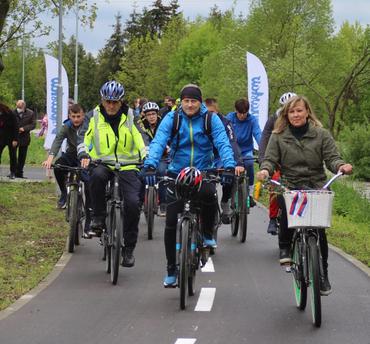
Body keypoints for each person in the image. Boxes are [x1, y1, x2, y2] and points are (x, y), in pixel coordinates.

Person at [256, 95, 353, 295]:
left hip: (316, 184)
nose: (296, 114)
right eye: (291, 111)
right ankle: (284, 247)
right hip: (290, 183)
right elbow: (270, 159)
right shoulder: (278, 135)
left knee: (320, 230)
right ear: (286, 114)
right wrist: (265, 170)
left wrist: (340, 166)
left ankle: (323, 275)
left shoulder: (321, 134)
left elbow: (332, 158)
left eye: (299, 110)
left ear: (307, 112)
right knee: (284, 202)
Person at [143, 84, 236, 287]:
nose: (190, 104)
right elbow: (159, 141)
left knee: (210, 194)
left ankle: (207, 233)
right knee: (170, 222)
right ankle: (171, 269)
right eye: (186, 101)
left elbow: (222, 142)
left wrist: (229, 165)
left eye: (194, 101)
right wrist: (150, 165)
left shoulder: (211, 119)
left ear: (200, 102)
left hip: (203, 170)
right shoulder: (172, 118)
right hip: (177, 171)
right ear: (181, 102)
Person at [79, 80, 146, 267]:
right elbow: (84, 137)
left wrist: (146, 156)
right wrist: (84, 154)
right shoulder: (94, 116)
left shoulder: (131, 116)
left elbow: (141, 139)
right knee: (96, 177)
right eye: (107, 101)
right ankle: (98, 218)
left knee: (132, 204)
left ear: (121, 101)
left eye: (115, 102)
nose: (110, 105)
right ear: (102, 100)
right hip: (103, 163)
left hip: (128, 165)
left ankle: (129, 249)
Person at [42, 104, 91, 236]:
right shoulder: (67, 126)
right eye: (73, 116)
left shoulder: (89, 125)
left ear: (83, 115)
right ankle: (64, 193)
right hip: (71, 154)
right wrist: (50, 158)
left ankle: (89, 222)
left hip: (87, 156)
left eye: (78, 116)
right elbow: (58, 141)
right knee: (58, 167)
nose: (76, 119)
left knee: (90, 185)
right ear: (69, 116)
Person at [258, 92, 296, 235]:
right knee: (275, 183)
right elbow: (264, 138)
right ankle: (273, 218)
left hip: (299, 165)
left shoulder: (304, 121)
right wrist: (263, 161)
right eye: (286, 108)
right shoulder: (274, 119)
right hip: (278, 161)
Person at [204, 98, 244, 223]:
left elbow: (232, 142)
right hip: (205, 155)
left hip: (221, 155)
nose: (211, 116)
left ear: (217, 111)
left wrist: (237, 163)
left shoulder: (226, 122)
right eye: (208, 113)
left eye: (213, 113)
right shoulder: (199, 121)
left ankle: (225, 200)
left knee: (229, 174)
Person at [226, 98, 261, 208]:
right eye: (240, 113)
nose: (242, 116)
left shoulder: (252, 120)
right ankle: (229, 194)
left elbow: (258, 134)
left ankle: (249, 193)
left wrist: (264, 150)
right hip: (232, 149)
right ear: (235, 110)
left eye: (245, 113)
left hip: (246, 150)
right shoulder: (229, 118)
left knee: (250, 163)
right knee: (229, 168)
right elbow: (224, 134)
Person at [137, 101, 168, 216]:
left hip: (162, 157)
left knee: (162, 173)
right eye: (148, 114)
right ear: (145, 115)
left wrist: (167, 147)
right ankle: (140, 201)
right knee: (140, 175)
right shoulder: (140, 126)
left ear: (157, 114)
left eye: (153, 114)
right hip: (146, 157)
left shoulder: (163, 124)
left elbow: (168, 138)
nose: (151, 117)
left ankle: (163, 204)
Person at [13, 100, 36, 178]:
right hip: (14, 137)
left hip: (24, 137)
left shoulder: (30, 113)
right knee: (13, 155)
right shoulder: (13, 113)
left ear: (24, 106)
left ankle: (19, 173)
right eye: (17, 107)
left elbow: (33, 125)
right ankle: (13, 172)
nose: (18, 109)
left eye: (20, 107)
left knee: (22, 156)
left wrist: (24, 128)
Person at [0, 103, 18, 178]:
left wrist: (15, 139)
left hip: (11, 138)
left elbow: (16, 127)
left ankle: (13, 172)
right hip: (1, 138)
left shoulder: (11, 114)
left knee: (13, 155)